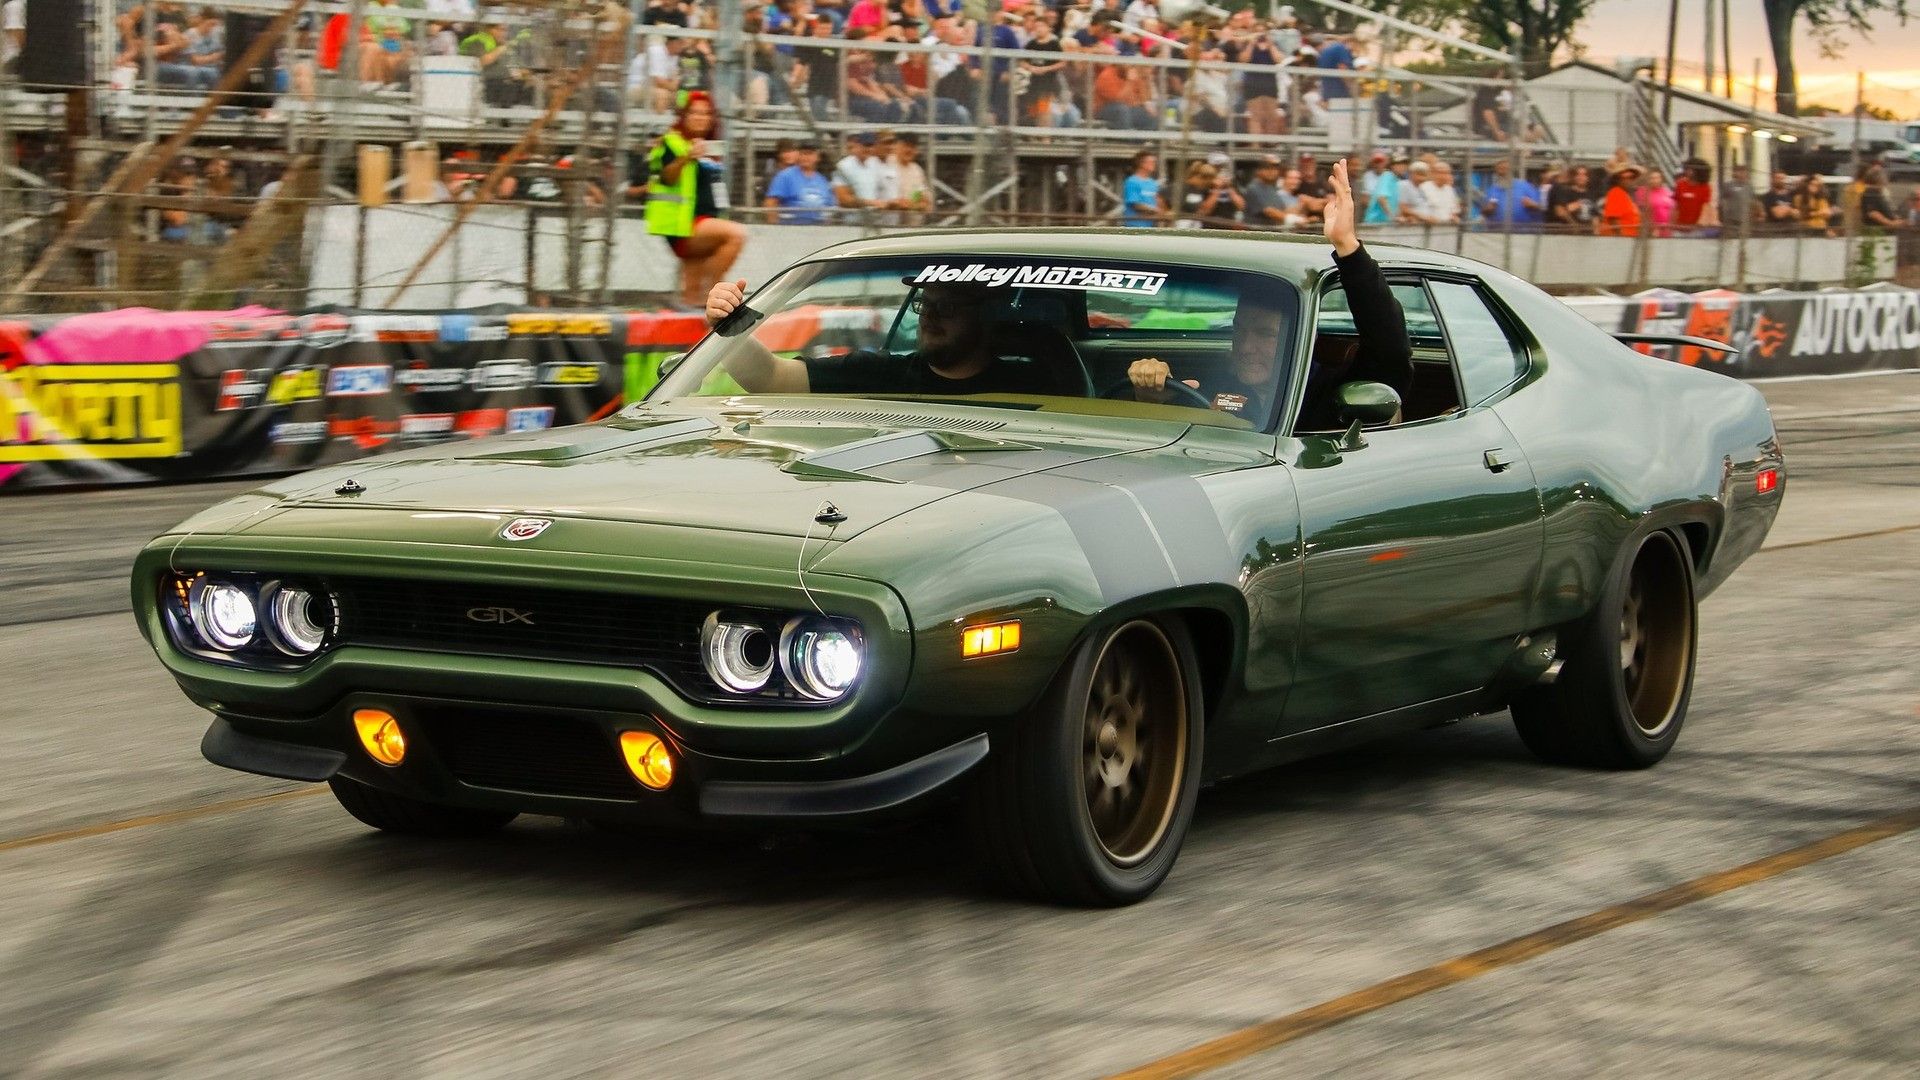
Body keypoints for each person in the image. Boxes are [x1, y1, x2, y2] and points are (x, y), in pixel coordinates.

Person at [1125, 160, 1410, 429]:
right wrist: (1151, 398)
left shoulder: (1335, 390)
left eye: (1265, 334)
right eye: (1239, 330)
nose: (1246, 347)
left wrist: (1348, 248)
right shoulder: (1210, 386)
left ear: (1301, 336)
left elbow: (1390, 349)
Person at [700, 277, 1066, 398]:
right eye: (925, 304)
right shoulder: (879, 374)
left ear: (983, 318)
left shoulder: (1033, 387)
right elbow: (770, 379)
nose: (930, 317)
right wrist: (727, 321)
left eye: (948, 307)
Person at [645, 93, 744, 309]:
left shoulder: (710, 147)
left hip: (704, 220)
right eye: (695, 113)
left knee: (691, 298)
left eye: (706, 113)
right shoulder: (672, 142)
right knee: (736, 235)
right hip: (683, 224)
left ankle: (694, 317)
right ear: (685, 116)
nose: (701, 118)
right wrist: (688, 156)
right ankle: (713, 291)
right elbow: (667, 177)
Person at [763, 140, 836, 223]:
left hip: (817, 228)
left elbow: (830, 207)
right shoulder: (785, 176)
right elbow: (770, 203)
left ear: (818, 157)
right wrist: (774, 226)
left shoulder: (822, 180)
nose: (805, 157)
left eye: (809, 153)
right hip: (790, 227)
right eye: (802, 153)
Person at [1477, 159, 1540, 228]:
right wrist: (1488, 209)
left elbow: (1540, 208)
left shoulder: (1525, 186)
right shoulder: (1492, 190)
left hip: (1522, 231)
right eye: (1500, 169)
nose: (1503, 171)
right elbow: (1483, 212)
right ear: (1496, 172)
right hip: (1497, 231)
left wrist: (1533, 205)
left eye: (1505, 168)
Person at [1243, 153, 1300, 229]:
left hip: (1272, 232)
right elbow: (1269, 211)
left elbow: (1282, 210)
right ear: (1259, 170)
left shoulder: (1272, 188)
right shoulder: (1254, 188)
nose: (1272, 171)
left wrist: (1303, 213)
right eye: (1268, 168)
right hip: (1257, 233)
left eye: (1275, 168)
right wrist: (1296, 220)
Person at [1595, 164, 1642, 236]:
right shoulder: (1616, 192)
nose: (1629, 180)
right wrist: (1621, 239)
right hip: (1621, 240)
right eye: (1624, 177)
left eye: (1632, 177)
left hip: (1630, 238)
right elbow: (1613, 221)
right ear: (1617, 180)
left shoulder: (1625, 194)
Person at [1545, 164, 1594, 230]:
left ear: (1589, 178)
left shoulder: (1592, 193)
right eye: (1578, 174)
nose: (1581, 177)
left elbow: (1595, 215)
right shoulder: (1563, 190)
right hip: (1566, 232)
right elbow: (1559, 211)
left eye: (1584, 175)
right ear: (1573, 177)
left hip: (1588, 232)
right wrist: (1574, 225)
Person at [1121, 150, 1163, 227]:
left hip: (1150, 226)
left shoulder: (1152, 182)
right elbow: (1135, 204)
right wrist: (1155, 210)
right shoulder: (1132, 181)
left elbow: (1157, 200)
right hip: (1135, 226)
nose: (1154, 164)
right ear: (1141, 164)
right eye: (1151, 162)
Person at [1673, 160, 1713, 233]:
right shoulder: (1680, 184)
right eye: (1686, 169)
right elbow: (1676, 206)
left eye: (1690, 169)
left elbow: (1706, 206)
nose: (1687, 171)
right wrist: (1672, 224)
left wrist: (1700, 222)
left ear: (1697, 171)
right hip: (1679, 227)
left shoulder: (1705, 187)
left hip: (1696, 228)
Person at [1641, 168, 1676, 237]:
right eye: (1652, 178)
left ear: (1661, 179)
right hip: (1653, 231)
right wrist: (1652, 229)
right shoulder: (1642, 192)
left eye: (1657, 178)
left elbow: (1674, 210)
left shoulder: (1668, 192)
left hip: (1668, 230)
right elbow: (1642, 212)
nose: (1655, 180)